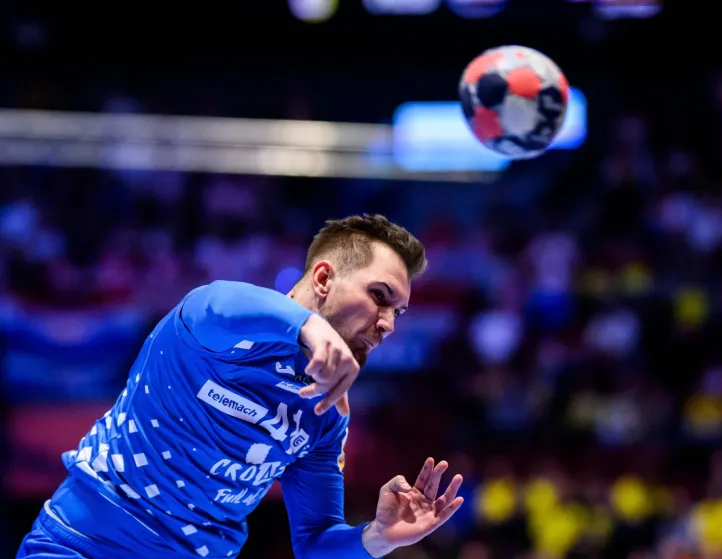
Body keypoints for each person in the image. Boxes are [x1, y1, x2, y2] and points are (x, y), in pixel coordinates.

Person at [16, 214, 465, 559]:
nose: (387, 324)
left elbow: (315, 542)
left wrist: (378, 538)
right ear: (323, 279)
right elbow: (215, 300)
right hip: (83, 546)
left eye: (397, 312)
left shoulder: (326, 415)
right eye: (379, 296)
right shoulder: (215, 328)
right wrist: (308, 325)